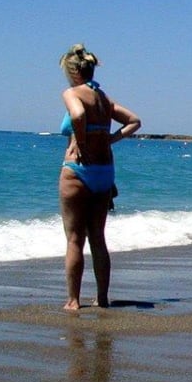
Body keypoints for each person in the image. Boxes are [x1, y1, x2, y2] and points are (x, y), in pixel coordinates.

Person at [58, 44, 141, 311]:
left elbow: (78, 114)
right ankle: (102, 298)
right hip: (105, 171)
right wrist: (110, 138)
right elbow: (134, 121)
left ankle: (73, 301)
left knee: (74, 239)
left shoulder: (73, 93)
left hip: (78, 170)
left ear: (72, 73)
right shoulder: (105, 99)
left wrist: (81, 142)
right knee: (98, 237)